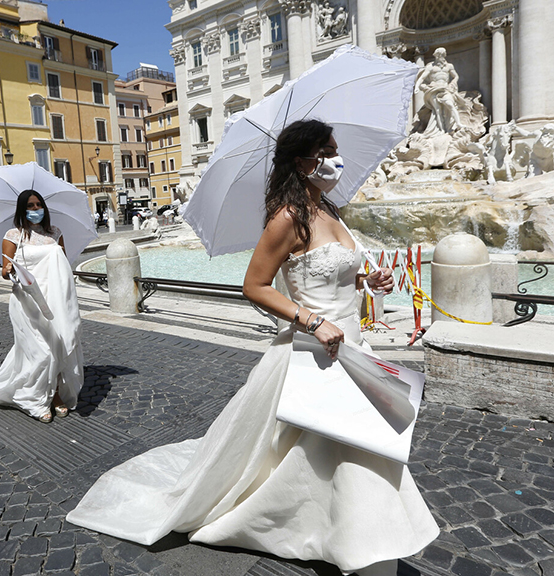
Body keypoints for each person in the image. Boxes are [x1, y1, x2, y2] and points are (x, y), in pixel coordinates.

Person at [66, 120, 439, 575]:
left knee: (341, 443)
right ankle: (361, 544)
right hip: (315, 346)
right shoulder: (287, 217)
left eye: (335, 149)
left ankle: (343, 529)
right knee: (343, 442)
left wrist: (367, 281)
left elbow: (333, 275)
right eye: (325, 151)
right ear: (302, 162)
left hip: (352, 343)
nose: (335, 160)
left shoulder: (331, 211)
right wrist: (312, 321)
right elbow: (255, 285)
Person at [0, 190, 84, 424]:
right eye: (30, 207)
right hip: (27, 300)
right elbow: (5, 269)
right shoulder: (13, 235)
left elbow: (62, 264)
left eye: (39, 205)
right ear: (22, 210)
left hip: (55, 299)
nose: (35, 210)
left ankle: (52, 395)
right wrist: (8, 270)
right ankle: (36, 399)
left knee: (57, 347)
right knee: (40, 351)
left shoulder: (56, 233)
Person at [414, 47, 464, 134]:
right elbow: (422, 78)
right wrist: (417, 87)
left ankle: (458, 123)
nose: (439, 57)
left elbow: (456, 76)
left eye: (441, 55)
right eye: (438, 55)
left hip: (445, 88)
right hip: (433, 89)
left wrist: (453, 83)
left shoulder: (449, 66)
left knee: (450, 104)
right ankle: (441, 131)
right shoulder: (430, 67)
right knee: (437, 110)